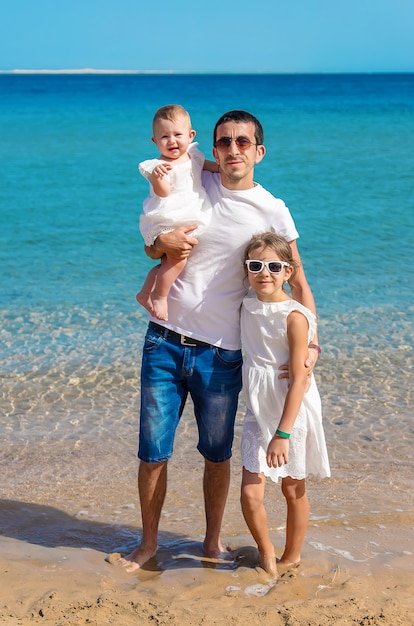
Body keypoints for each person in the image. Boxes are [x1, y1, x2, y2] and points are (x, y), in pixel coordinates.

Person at [120, 110, 321, 573]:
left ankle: (211, 542)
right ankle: (148, 544)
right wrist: (159, 243)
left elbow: (299, 283)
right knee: (153, 453)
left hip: (222, 353)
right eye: (225, 142)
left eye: (243, 142)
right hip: (164, 341)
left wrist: (312, 345)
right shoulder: (194, 178)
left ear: (258, 151)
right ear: (213, 149)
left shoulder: (272, 208)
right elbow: (156, 241)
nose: (234, 149)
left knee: (217, 454)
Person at [240, 232, 331, 578]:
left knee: (293, 487)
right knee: (250, 495)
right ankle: (267, 553)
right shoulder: (246, 303)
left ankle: (292, 555)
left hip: (291, 410)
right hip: (258, 408)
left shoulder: (295, 317)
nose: (265, 272)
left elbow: (300, 381)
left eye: (275, 266)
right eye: (256, 265)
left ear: (288, 272)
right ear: (246, 270)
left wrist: (283, 433)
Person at [136, 104, 217, 321]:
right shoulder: (158, 166)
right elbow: (163, 193)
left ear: (190, 136)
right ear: (155, 141)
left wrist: (221, 168)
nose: (171, 141)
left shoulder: (194, 155)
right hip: (169, 217)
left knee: (168, 263)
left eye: (177, 135)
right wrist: (157, 177)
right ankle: (159, 297)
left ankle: (145, 293)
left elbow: (205, 165)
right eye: (164, 137)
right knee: (178, 260)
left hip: (187, 214)